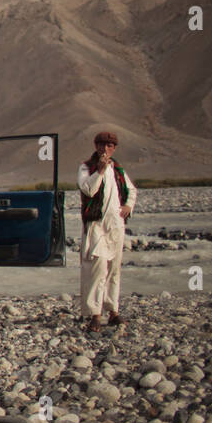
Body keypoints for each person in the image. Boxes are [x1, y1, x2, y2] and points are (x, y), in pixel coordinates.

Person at [77, 130, 137, 333]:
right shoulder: (87, 167)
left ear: (114, 148)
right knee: (98, 270)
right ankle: (95, 315)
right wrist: (99, 172)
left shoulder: (118, 169)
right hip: (96, 227)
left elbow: (131, 191)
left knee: (114, 270)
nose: (105, 149)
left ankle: (113, 311)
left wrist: (128, 206)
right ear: (96, 146)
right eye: (102, 144)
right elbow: (88, 190)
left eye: (109, 145)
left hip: (116, 226)